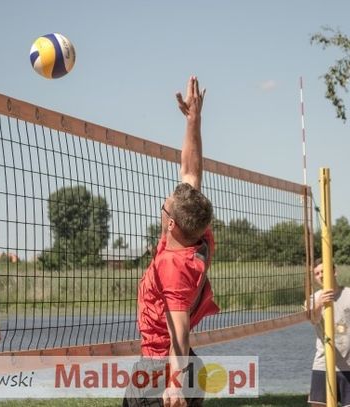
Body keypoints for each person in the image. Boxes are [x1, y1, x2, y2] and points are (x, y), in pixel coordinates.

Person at [123, 76, 218, 407]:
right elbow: (191, 173)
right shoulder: (196, 236)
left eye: (164, 208)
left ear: (172, 223)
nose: (162, 207)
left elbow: (179, 331)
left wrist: (174, 385)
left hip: (162, 372)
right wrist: (194, 120)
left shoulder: (173, 266)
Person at [307, 259, 350, 407]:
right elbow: (313, 319)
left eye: (323, 271)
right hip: (322, 364)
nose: (320, 276)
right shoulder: (312, 300)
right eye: (317, 273)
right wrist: (320, 303)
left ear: (334, 272)